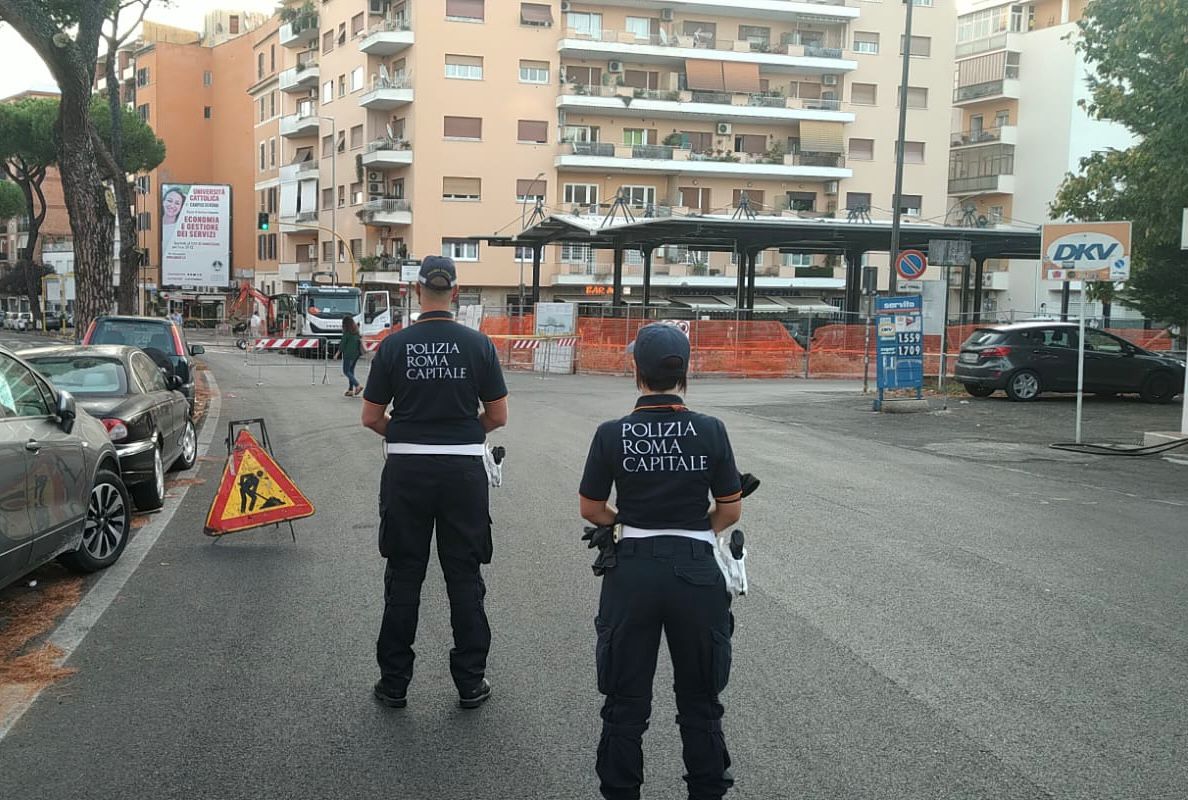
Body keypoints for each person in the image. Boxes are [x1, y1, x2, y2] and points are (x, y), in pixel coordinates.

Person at [579, 323, 743, 800]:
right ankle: (707, 791)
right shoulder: (711, 430)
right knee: (700, 701)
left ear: (637, 371)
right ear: (684, 374)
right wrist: (691, 529)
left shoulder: (612, 434)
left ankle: (621, 790)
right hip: (696, 571)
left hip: (632, 571)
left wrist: (626, 522)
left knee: (625, 701)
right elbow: (730, 509)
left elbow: (591, 508)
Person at [361, 255, 509, 710]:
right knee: (464, 576)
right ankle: (470, 682)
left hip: (407, 471)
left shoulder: (393, 345)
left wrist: (410, 435)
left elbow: (371, 417)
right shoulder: (478, 345)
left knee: (404, 575)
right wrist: (459, 436)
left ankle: (394, 684)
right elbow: (498, 416)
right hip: (464, 473)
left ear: (415, 292)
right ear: (456, 293)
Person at [340, 316, 363, 397]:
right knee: (351, 371)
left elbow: (342, 344)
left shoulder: (347, 333)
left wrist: (337, 354)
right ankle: (350, 389)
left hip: (348, 354)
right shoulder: (356, 332)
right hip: (356, 354)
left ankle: (357, 385)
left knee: (346, 371)